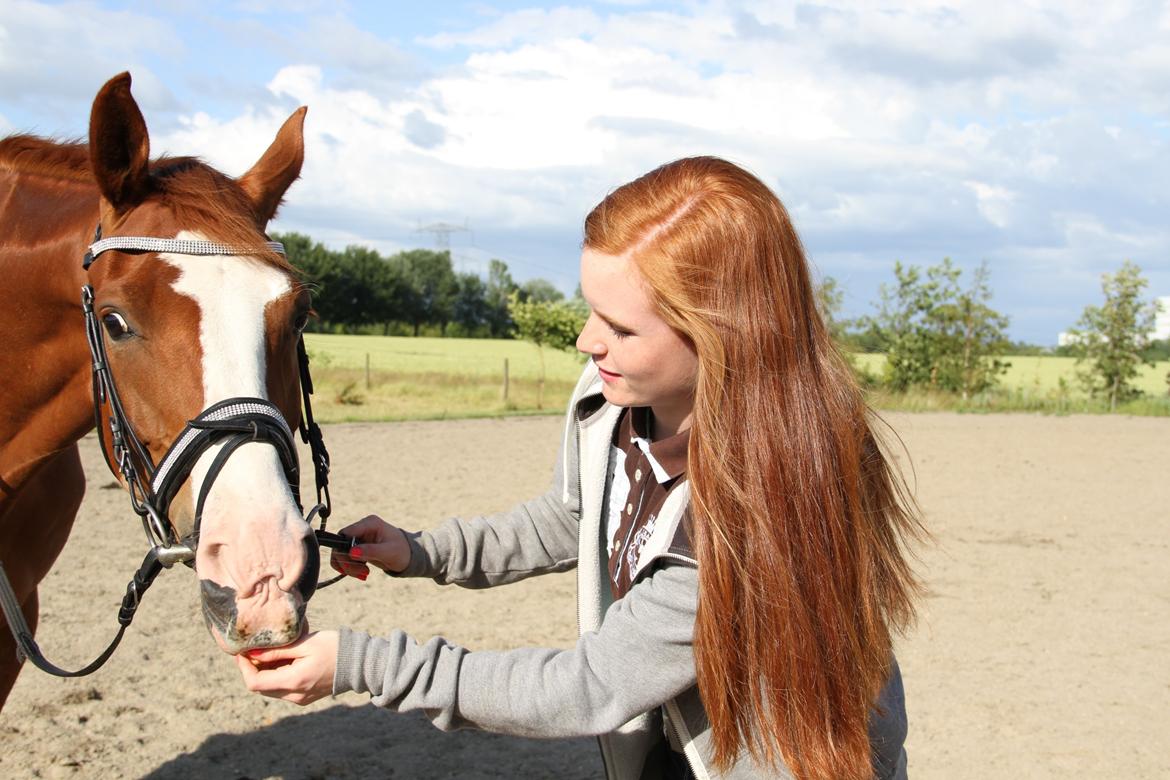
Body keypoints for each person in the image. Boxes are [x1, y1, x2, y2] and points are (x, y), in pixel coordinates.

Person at [237, 156, 923, 780]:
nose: (586, 340)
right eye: (590, 309)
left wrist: (362, 664)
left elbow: (587, 687)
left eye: (621, 328)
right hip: (661, 746)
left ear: (724, 334)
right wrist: (422, 551)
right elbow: (572, 516)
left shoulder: (755, 506)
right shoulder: (613, 398)